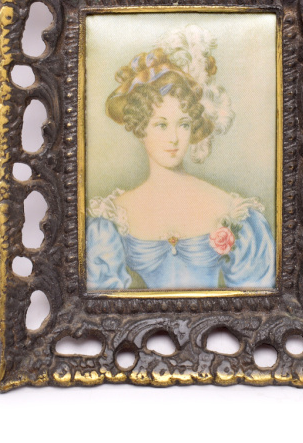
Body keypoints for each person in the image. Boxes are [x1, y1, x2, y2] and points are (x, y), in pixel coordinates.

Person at [86, 25, 275, 290]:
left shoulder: (233, 211)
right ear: (140, 128)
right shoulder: (113, 216)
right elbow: (102, 300)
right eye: (161, 125)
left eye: (183, 124)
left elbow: (258, 299)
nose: (174, 138)